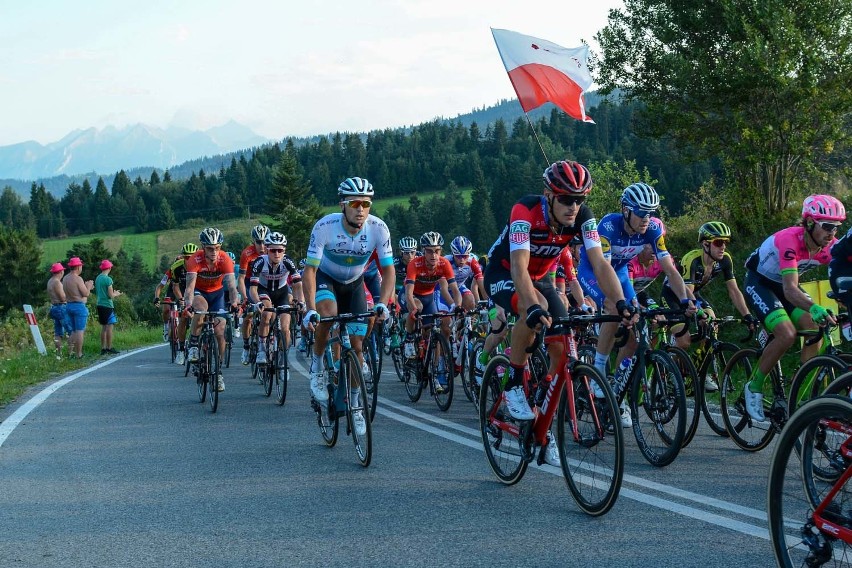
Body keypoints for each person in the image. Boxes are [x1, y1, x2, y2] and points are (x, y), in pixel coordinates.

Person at [483, 160, 636, 465]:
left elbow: (600, 263)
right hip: (505, 273)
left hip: (541, 278)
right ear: (549, 195)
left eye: (580, 200)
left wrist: (620, 303)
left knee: (561, 348)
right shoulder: (524, 211)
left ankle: (542, 418)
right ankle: (513, 382)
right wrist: (534, 305)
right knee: (531, 304)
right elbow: (519, 267)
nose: (573, 207)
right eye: (566, 199)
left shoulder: (583, 218)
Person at [577, 182, 696, 427]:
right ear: (627, 210)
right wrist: (621, 303)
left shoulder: (652, 229)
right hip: (594, 271)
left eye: (650, 213)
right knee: (613, 305)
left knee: (635, 336)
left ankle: (618, 389)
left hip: (620, 272)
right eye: (641, 212)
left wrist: (685, 300)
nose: (646, 218)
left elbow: (670, 269)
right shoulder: (608, 226)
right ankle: (599, 368)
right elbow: (604, 268)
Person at [302, 177, 395, 436]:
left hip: (354, 283)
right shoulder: (325, 227)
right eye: (355, 203)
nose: (361, 209)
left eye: (366, 203)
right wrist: (310, 308)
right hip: (326, 279)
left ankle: (355, 405)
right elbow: (309, 271)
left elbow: (388, 271)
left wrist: (382, 304)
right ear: (343, 204)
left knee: (357, 347)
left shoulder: (378, 229)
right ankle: (318, 364)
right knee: (328, 316)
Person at [742, 194, 845, 421]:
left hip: (786, 287)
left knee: (814, 326)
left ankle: (797, 392)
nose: (832, 233)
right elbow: (790, 290)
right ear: (809, 223)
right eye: (827, 226)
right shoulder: (790, 239)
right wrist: (815, 306)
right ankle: (753, 386)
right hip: (761, 283)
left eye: (836, 227)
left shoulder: (831, 247)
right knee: (786, 333)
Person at [661, 222, 757, 391]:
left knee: (712, 322)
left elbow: (733, 291)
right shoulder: (692, 259)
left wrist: (747, 315)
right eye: (719, 242)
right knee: (683, 341)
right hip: (674, 295)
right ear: (706, 244)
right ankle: (670, 372)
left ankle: (702, 372)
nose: (723, 247)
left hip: (693, 294)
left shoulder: (725, 260)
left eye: (726, 242)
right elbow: (687, 292)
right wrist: (697, 312)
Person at [403, 232, 463, 393]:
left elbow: (455, 290)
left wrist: (457, 306)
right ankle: (409, 338)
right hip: (413, 295)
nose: (433, 255)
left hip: (429, 297)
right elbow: (408, 293)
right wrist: (412, 308)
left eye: (437, 250)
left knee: (433, 334)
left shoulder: (444, 264)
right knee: (418, 307)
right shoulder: (415, 264)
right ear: (423, 251)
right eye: (429, 251)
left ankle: (435, 372)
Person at [184, 227, 240, 392]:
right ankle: (193, 344)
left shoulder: (225, 260)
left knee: (220, 330)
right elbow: (189, 288)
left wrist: (235, 303)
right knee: (201, 308)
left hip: (217, 295)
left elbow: (231, 286)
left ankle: (218, 371)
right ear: (203, 247)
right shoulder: (195, 259)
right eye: (210, 248)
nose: (214, 251)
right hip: (198, 292)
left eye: (217, 247)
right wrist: (188, 304)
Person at [248, 232, 304, 365]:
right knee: (267, 313)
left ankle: (282, 356)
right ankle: (261, 349)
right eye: (273, 250)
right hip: (264, 290)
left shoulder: (287, 261)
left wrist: (299, 301)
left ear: (284, 250)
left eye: (280, 250)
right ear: (267, 249)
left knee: (285, 327)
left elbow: (297, 284)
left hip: (282, 292)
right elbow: (253, 289)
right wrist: (257, 303)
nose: (277, 254)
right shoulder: (260, 261)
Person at [239, 224, 269, 365]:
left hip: (266, 283)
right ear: (253, 242)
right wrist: (244, 297)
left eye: (264, 242)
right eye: (259, 242)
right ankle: (246, 347)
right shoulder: (247, 253)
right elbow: (240, 278)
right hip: (250, 283)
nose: (262, 246)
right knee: (249, 316)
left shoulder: (271, 251)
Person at [62, 257, 94, 359]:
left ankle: (70, 352)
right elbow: (85, 293)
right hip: (78, 306)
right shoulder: (78, 278)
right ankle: (79, 354)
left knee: (73, 331)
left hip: (69, 305)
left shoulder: (65, 278)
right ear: (78, 267)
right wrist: (88, 286)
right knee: (80, 330)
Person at [95, 259, 122, 355]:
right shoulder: (108, 279)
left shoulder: (98, 278)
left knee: (103, 327)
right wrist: (117, 294)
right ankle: (109, 347)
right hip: (107, 305)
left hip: (99, 304)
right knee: (110, 327)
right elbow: (110, 295)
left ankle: (103, 348)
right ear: (109, 268)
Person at [46, 262, 71, 358]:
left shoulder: (50, 281)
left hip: (54, 307)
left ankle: (58, 354)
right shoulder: (57, 282)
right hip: (61, 307)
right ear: (60, 272)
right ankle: (70, 353)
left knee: (58, 332)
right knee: (70, 331)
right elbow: (62, 298)